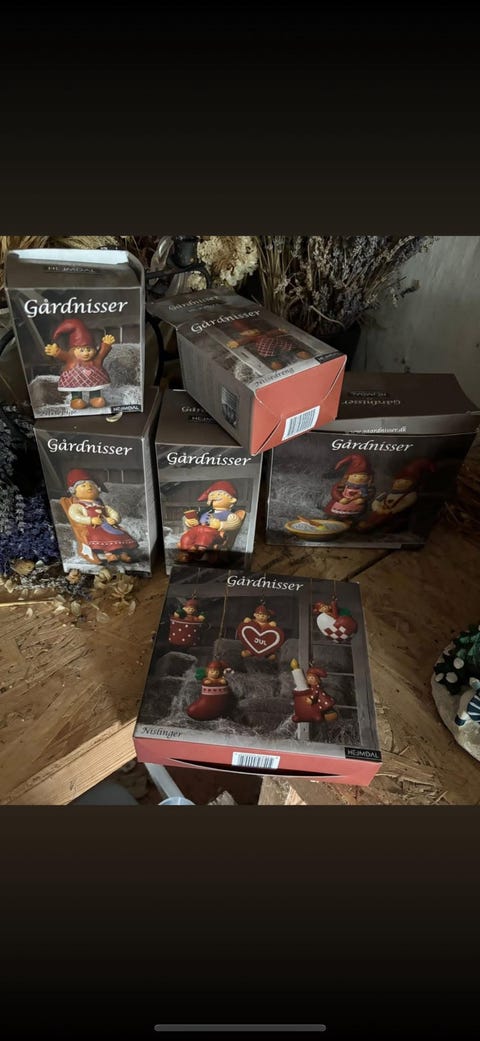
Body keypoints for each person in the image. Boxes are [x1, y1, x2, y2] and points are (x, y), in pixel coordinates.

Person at [63, 468, 138, 565]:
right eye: (83, 486)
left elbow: (113, 513)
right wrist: (90, 520)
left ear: (98, 489)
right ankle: (109, 554)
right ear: (73, 491)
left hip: (107, 525)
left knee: (120, 534)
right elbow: (75, 516)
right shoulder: (77, 506)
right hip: (94, 528)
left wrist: (114, 519)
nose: (89, 487)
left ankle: (123, 553)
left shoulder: (101, 505)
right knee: (104, 537)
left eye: (91, 485)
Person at [44, 318, 115, 410]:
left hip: (94, 378)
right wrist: (56, 352)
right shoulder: (72, 358)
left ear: (94, 349)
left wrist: (106, 345)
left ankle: (95, 398)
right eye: (81, 350)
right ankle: (76, 399)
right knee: (75, 388)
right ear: (73, 350)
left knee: (95, 387)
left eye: (89, 349)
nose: (86, 353)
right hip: (75, 378)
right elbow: (63, 355)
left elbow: (102, 353)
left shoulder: (95, 360)